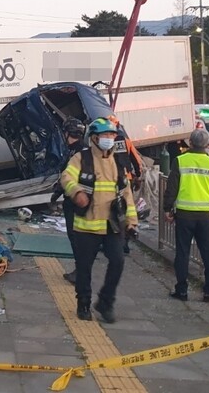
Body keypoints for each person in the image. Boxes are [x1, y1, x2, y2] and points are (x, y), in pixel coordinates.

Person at [61, 117, 139, 322]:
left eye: (112, 135)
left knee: (118, 261)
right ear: (94, 138)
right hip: (86, 226)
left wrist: (132, 221)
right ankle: (84, 303)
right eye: (105, 135)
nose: (109, 139)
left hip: (112, 225)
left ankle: (105, 302)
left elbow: (126, 194)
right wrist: (76, 192)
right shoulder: (82, 158)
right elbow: (66, 178)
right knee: (84, 267)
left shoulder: (119, 161)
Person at [163, 127, 209, 302]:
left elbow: (172, 188)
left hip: (185, 215)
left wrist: (167, 209)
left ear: (190, 142)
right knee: (208, 253)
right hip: (205, 215)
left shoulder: (180, 160)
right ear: (207, 144)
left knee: (183, 252)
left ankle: (182, 290)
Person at [52, 117, 86, 284]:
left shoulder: (76, 153)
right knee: (78, 237)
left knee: (76, 237)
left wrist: (58, 191)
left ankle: (81, 271)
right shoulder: (82, 150)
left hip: (74, 201)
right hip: (78, 199)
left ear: (67, 133)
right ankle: (80, 270)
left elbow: (69, 176)